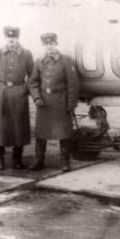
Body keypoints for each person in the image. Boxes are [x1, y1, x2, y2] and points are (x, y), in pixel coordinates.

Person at [29, 32, 79, 172]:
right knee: (41, 133)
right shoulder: (39, 61)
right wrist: (37, 97)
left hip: (60, 102)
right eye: (46, 44)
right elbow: (33, 82)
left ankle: (65, 161)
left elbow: (73, 85)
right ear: (43, 46)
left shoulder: (66, 61)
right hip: (44, 103)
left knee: (64, 133)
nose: (49, 47)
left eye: (51, 44)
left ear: (56, 44)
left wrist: (71, 104)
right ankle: (38, 160)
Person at [0, 26, 34, 170]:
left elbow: (33, 75)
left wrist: (25, 89)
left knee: (19, 127)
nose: (11, 40)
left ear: (17, 38)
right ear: (5, 38)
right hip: (3, 92)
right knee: (2, 126)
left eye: (13, 38)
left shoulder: (26, 54)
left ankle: (17, 158)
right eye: (8, 38)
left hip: (19, 92)